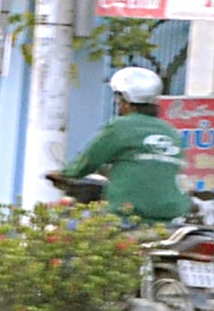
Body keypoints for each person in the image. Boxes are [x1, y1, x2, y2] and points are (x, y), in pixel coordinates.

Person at [63, 66, 188, 222]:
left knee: (73, 230)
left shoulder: (120, 126)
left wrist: (64, 175)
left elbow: (87, 162)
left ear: (126, 101)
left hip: (129, 213)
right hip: (170, 215)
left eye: (119, 99)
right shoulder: (170, 131)